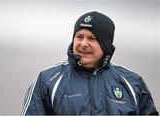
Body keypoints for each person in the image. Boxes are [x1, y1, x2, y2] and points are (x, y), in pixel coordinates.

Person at [21, 11, 158, 115]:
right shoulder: (47, 80)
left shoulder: (132, 82)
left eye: (92, 38)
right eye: (79, 37)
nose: (83, 43)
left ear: (106, 44)